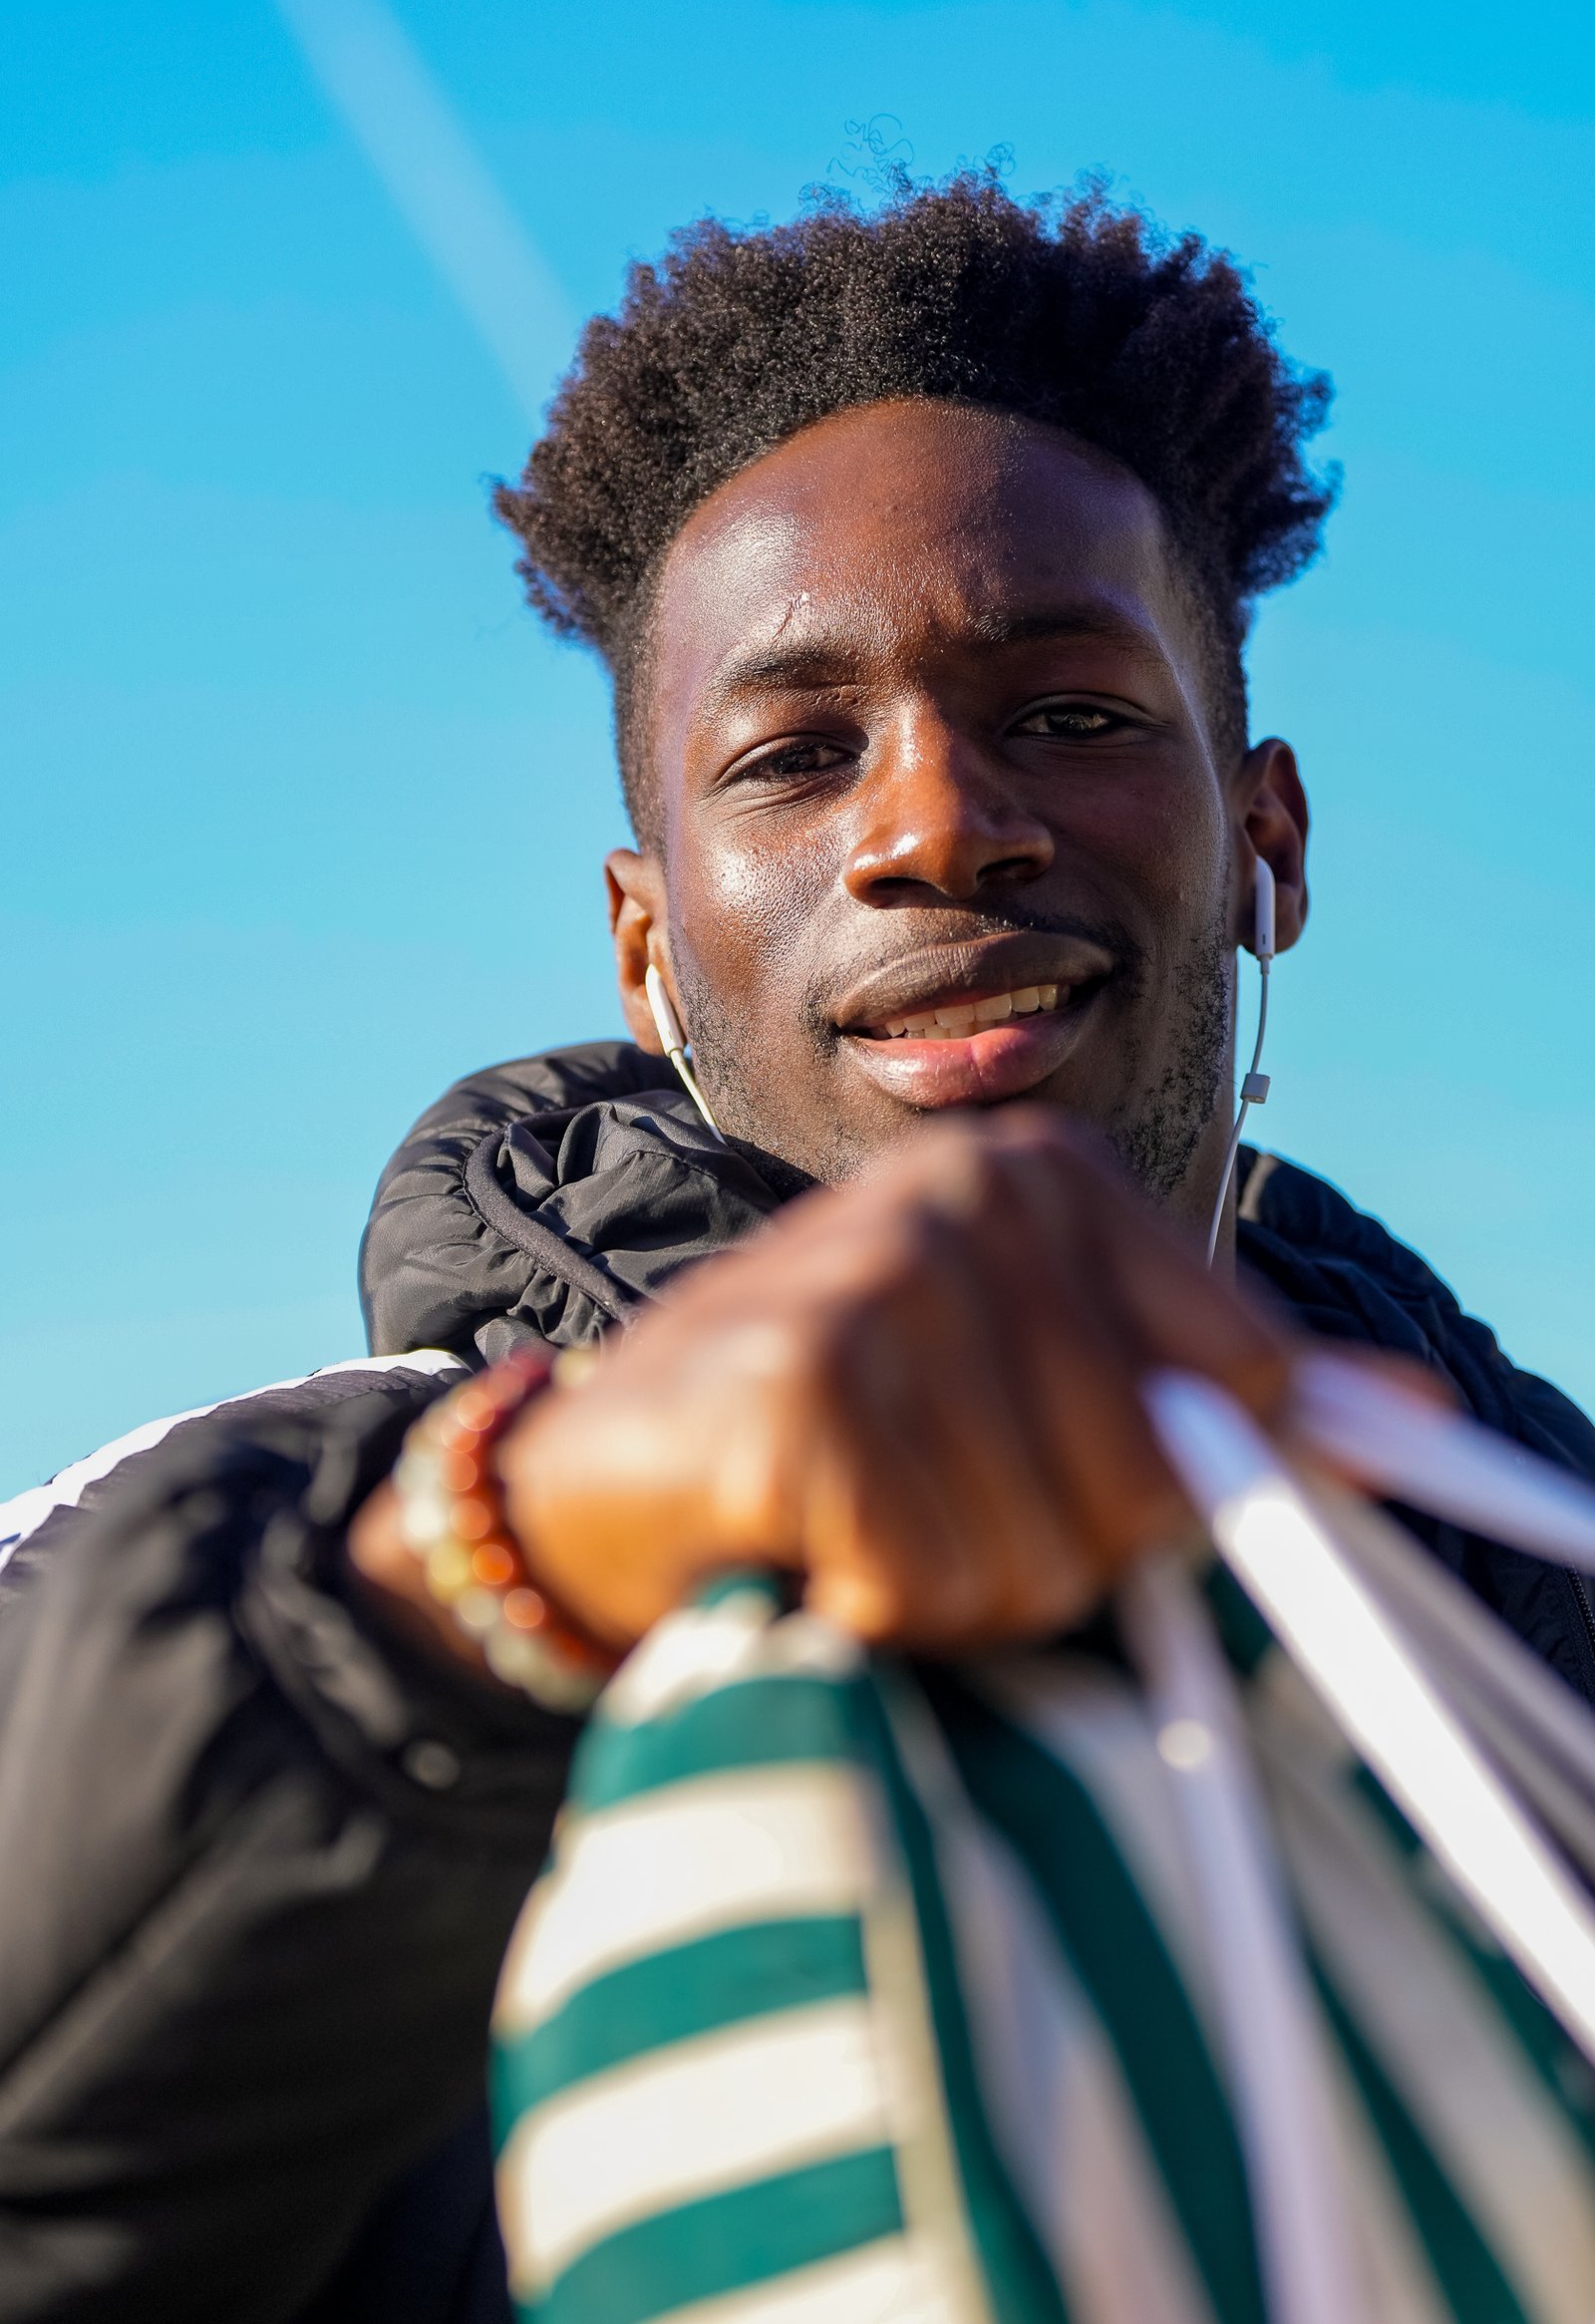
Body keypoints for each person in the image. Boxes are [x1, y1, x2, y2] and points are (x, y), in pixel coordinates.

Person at [3, 169, 1593, 2324]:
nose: (937, 825)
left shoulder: (1538, 1576)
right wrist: (510, 1568)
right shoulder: (314, 1535)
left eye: (1069, 715)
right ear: (647, 944)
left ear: (1266, 842)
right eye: (793, 756)